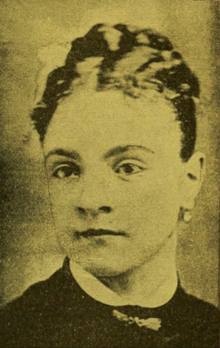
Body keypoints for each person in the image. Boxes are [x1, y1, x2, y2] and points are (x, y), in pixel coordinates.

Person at [0, 23, 219, 348]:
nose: (91, 199)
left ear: (189, 182)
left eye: (127, 167)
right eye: (66, 170)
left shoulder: (211, 329)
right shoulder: (14, 332)